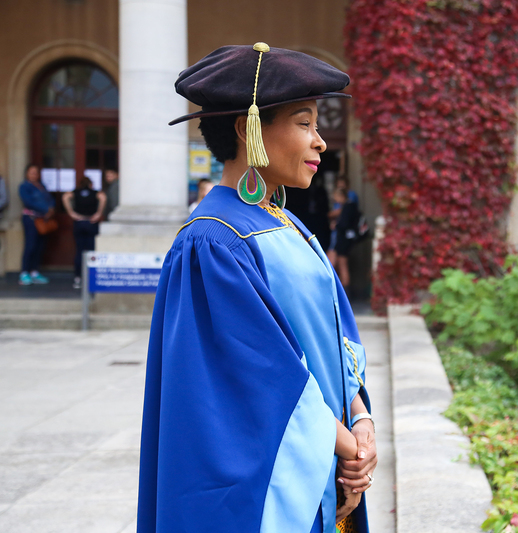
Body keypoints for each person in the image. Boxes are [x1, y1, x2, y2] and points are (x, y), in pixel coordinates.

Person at [137, 43, 376, 533]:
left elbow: (334, 335)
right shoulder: (213, 241)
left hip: (331, 453)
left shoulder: (285, 224)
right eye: (304, 122)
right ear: (251, 131)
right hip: (280, 476)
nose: (321, 141)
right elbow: (264, 375)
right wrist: (348, 448)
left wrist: (361, 419)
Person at [63, 176, 106, 289]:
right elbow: (103, 197)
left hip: (80, 222)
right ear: (91, 184)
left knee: (79, 251)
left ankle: (78, 277)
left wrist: (71, 213)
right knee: (91, 251)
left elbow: (65, 196)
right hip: (91, 222)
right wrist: (98, 213)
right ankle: (91, 278)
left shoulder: (76, 192)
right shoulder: (95, 193)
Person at [18, 164, 55, 285]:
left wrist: (51, 209)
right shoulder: (24, 186)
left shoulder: (41, 186)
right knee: (31, 245)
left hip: (43, 220)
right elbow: (28, 202)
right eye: (31, 172)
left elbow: (50, 199)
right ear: (27, 174)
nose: (34, 175)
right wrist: (46, 209)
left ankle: (34, 272)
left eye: (36, 172)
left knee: (40, 246)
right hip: (31, 219)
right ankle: (24, 273)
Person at [327, 187, 360, 290]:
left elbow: (344, 224)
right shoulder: (350, 206)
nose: (336, 200)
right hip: (346, 240)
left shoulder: (348, 207)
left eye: (336, 197)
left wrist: (336, 225)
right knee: (341, 265)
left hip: (344, 240)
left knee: (342, 265)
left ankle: (345, 292)